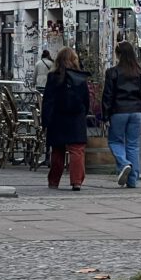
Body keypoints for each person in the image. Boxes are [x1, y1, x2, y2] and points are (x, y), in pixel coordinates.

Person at [41, 47, 91, 190]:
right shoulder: (80, 77)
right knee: (77, 150)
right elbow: (86, 99)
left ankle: (54, 181)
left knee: (57, 150)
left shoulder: (53, 77)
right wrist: (83, 113)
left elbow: (48, 100)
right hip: (76, 118)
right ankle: (76, 181)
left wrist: (45, 121)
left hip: (57, 118)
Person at [102, 40, 141, 188]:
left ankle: (124, 163)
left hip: (119, 111)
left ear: (118, 54)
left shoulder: (112, 72)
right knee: (133, 145)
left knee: (115, 141)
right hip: (137, 111)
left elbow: (108, 95)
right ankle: (133, 180)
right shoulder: (139, 72)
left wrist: (105, 115)